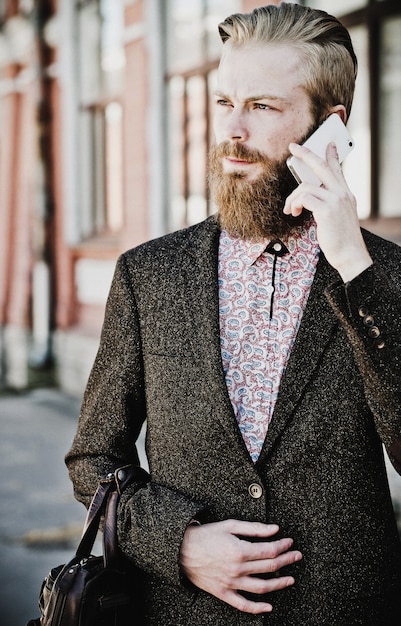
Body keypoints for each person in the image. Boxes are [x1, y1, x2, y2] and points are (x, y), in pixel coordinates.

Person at [65, 3, 401, 625]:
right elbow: (93, 461)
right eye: (225, 102)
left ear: (331, 126)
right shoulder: (150, 275)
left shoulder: (384, 277)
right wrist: (180, 544)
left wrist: (356, 268)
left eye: (263, 107)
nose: (233, 130)